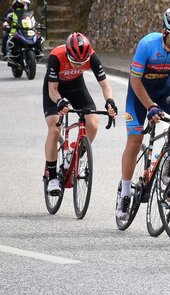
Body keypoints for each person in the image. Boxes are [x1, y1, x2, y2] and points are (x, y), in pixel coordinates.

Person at [116, 8, 170, 221]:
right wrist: (150, 106)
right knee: (135, 141)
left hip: (164, 88)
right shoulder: (147, 44)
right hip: (139, 92)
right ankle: (125, 193)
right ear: (165, 32)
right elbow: (135, 80)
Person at [42, 33, 117, 195]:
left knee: (93, 123)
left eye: (82, 63)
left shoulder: (92, 56)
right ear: (68, 53)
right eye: (75, 62)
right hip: (56, 88)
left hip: (76, 86)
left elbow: (105, 85)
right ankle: (52, 177)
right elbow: (52, 90)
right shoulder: (56, 56)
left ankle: (76, 156)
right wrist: (59, 102)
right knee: (54, 128)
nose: (78, 65)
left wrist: (110, 102)